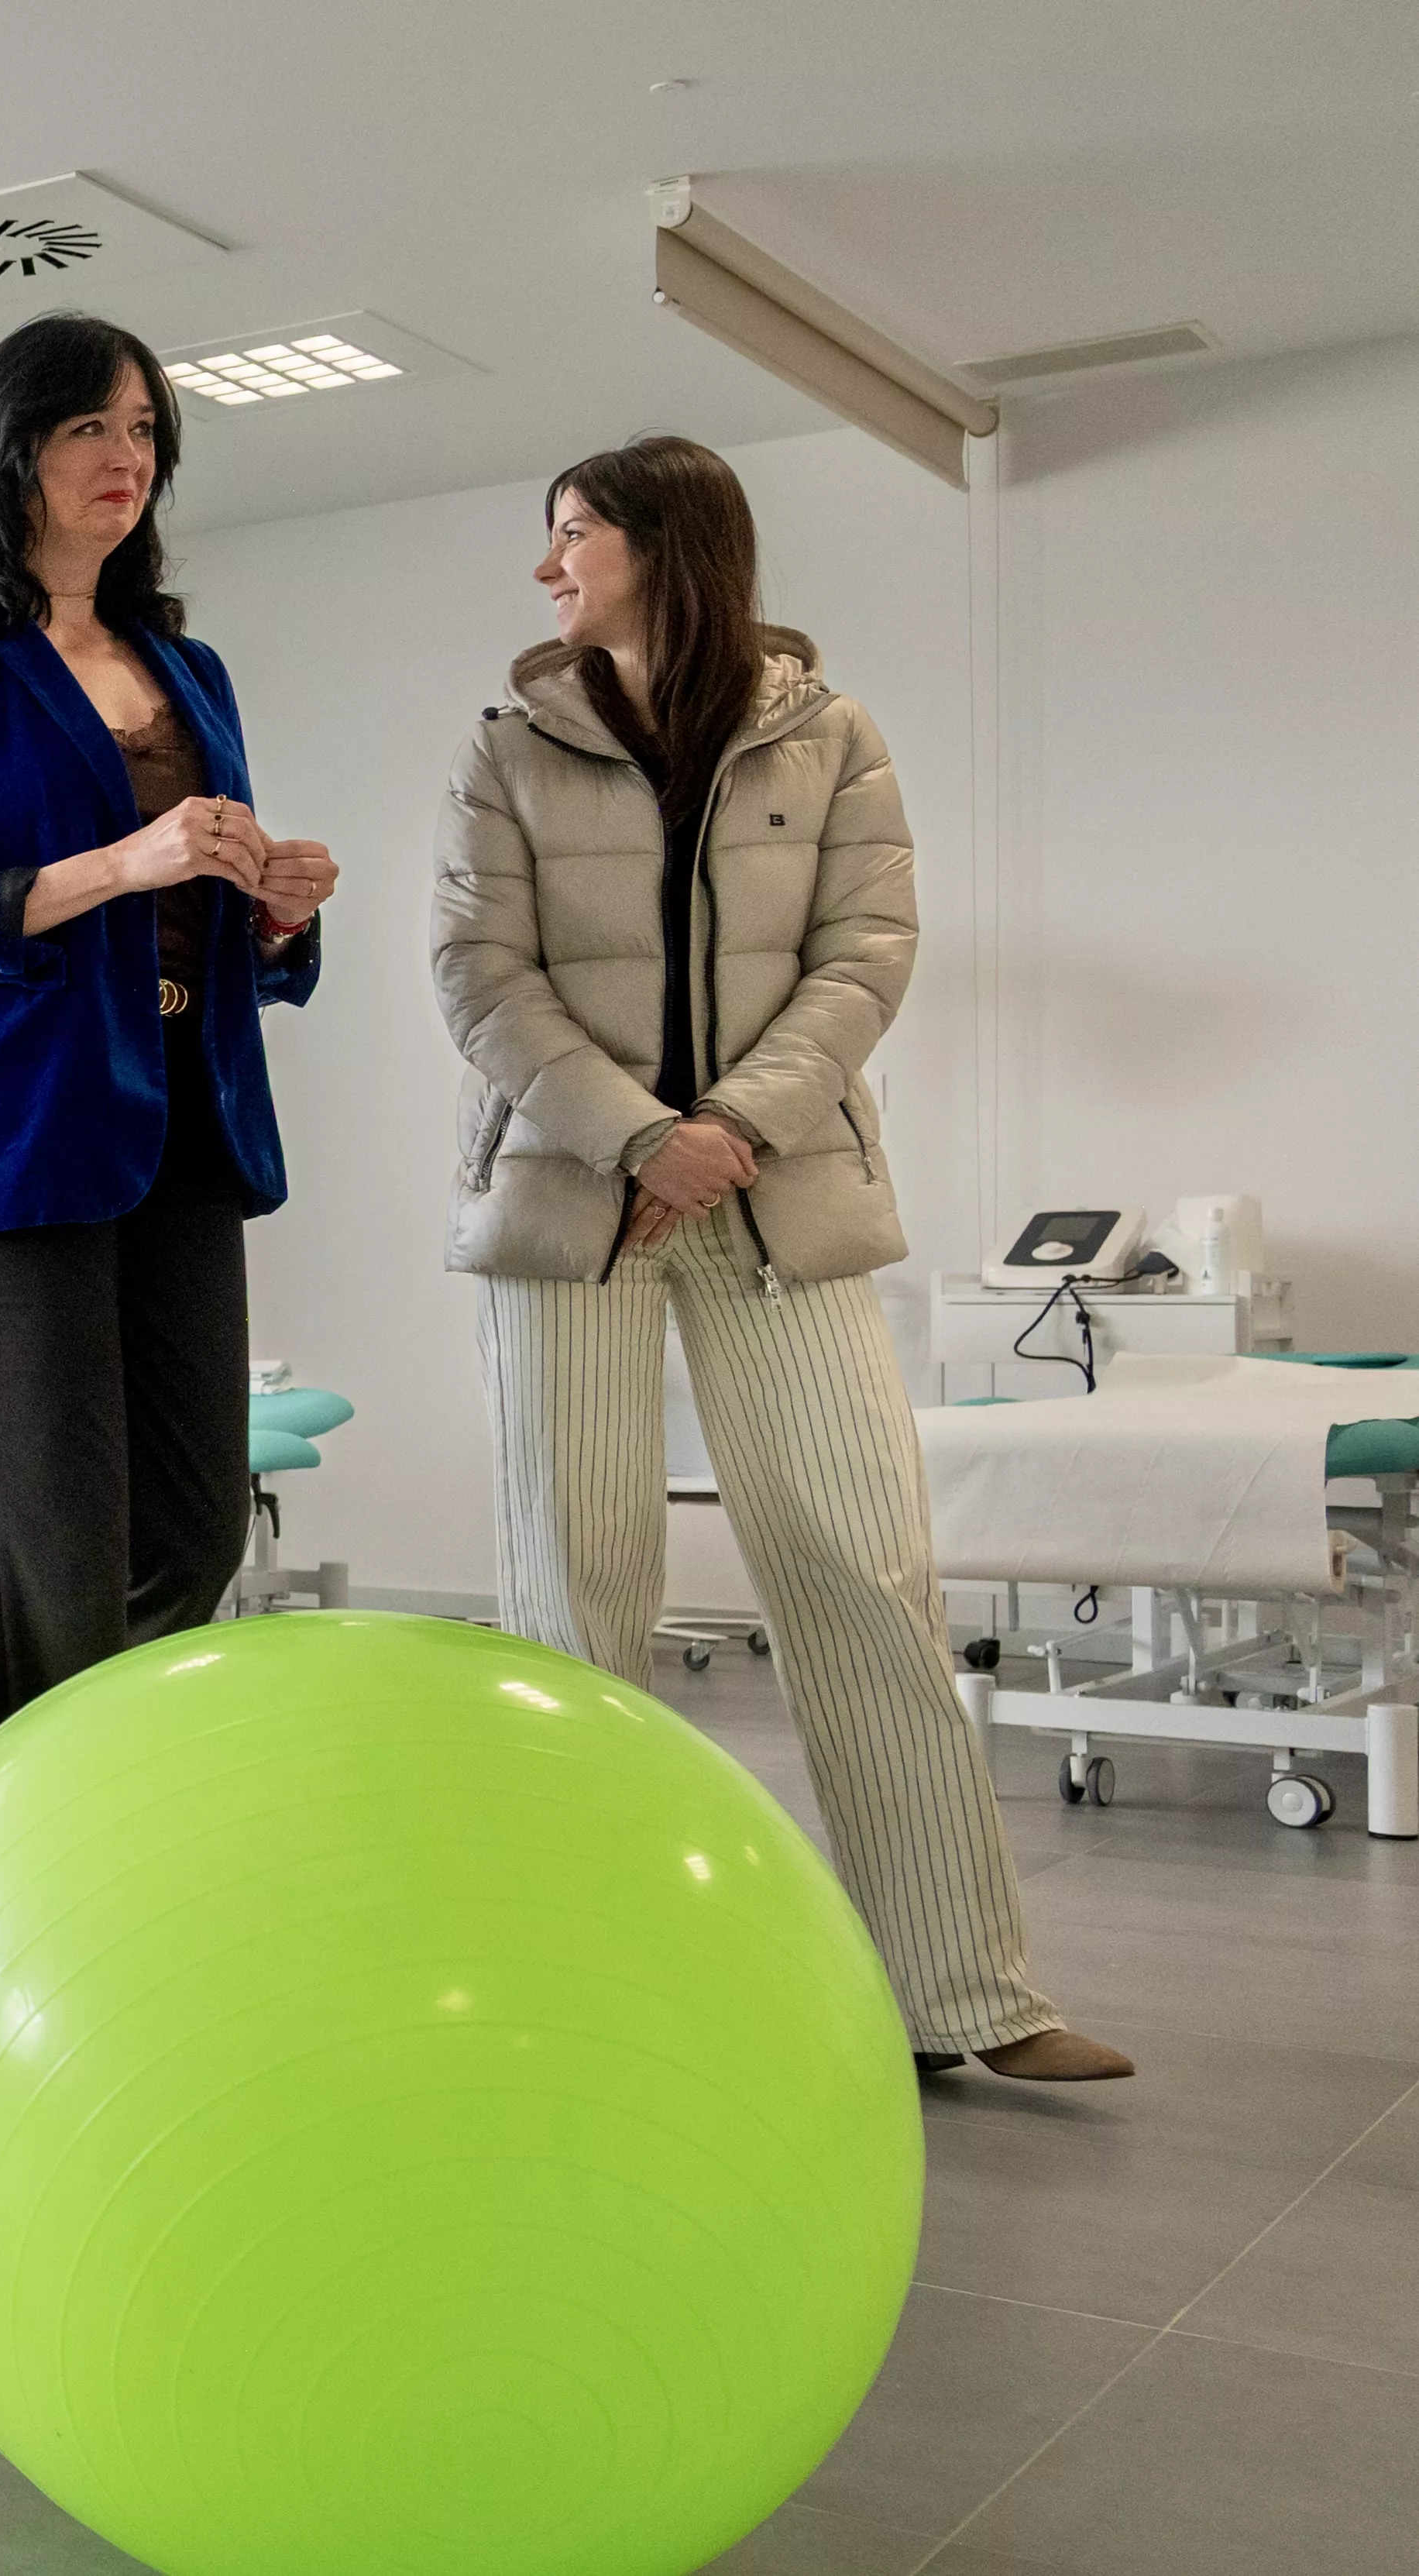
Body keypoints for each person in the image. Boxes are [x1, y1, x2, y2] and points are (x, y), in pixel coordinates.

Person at [433, 433, 1130, 2082]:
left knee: (867, 1575)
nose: (550, 568)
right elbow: (478, 974)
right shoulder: (504, 747)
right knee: (574, 1605)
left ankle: (969, 1994)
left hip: (779, 1196)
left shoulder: (830, 736)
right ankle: (571, 1985)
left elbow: (866, 951)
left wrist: (730, 1130)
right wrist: (635, 1138)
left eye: (577, 534)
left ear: (669, 545)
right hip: (567, 1206)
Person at [0, 312, 338, 1829]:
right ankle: (47, 1856)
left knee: (185, 1535)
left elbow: (212, 918)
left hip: (185, 1122)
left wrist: (276, 909)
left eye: (143, 432)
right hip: (9, 1140)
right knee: (60, 1539)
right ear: (12, 451)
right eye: (87, 431)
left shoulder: (190, 668)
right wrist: (113, 864)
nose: (126, 461)